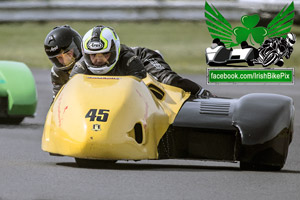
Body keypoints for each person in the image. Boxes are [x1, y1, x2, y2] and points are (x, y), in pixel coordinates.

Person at [70, 25, 213, 98]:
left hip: (143, 58)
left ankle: (202, 93)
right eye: (93, 55)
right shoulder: (80, 68)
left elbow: (143, 93)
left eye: (104, 54)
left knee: (169, 81)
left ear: (114, 51)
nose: (98, 60)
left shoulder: (129, 60)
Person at [44, 25, 82, 99]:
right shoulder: (57, 73)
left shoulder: (91, 62)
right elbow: (57, 101)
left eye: (68, 54)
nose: (64, 61)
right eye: (58, 58)